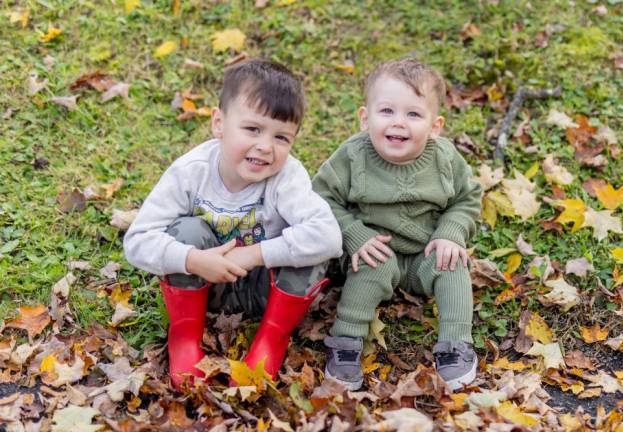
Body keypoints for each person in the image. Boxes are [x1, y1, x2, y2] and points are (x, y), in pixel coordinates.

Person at [124, 59, 342, 390]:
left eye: (281, 137)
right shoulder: (191, 172)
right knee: (187, 231)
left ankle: (271, 338)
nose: (266, 147)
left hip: (266, 292)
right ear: (219, 123)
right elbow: (137, 241)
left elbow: (328, 236)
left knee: (310, 246)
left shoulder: (287, 177)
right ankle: (185, 336)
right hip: (206, 287)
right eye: (252, 129)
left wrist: (254, 254)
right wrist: (193, 260)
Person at [312, 58, 482, 391]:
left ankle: (457, 343)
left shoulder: (445, 159)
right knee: (374, 265)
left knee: (453, 264)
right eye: (387, 111)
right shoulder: (352, 157)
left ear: (435, 126)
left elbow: (468, 198)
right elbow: (320, 199)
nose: (398, 123)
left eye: (413, 114)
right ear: (365, 117)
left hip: (425, 254)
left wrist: (452, 233)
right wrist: (354, 234)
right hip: (372, 250)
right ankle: (346, 342)